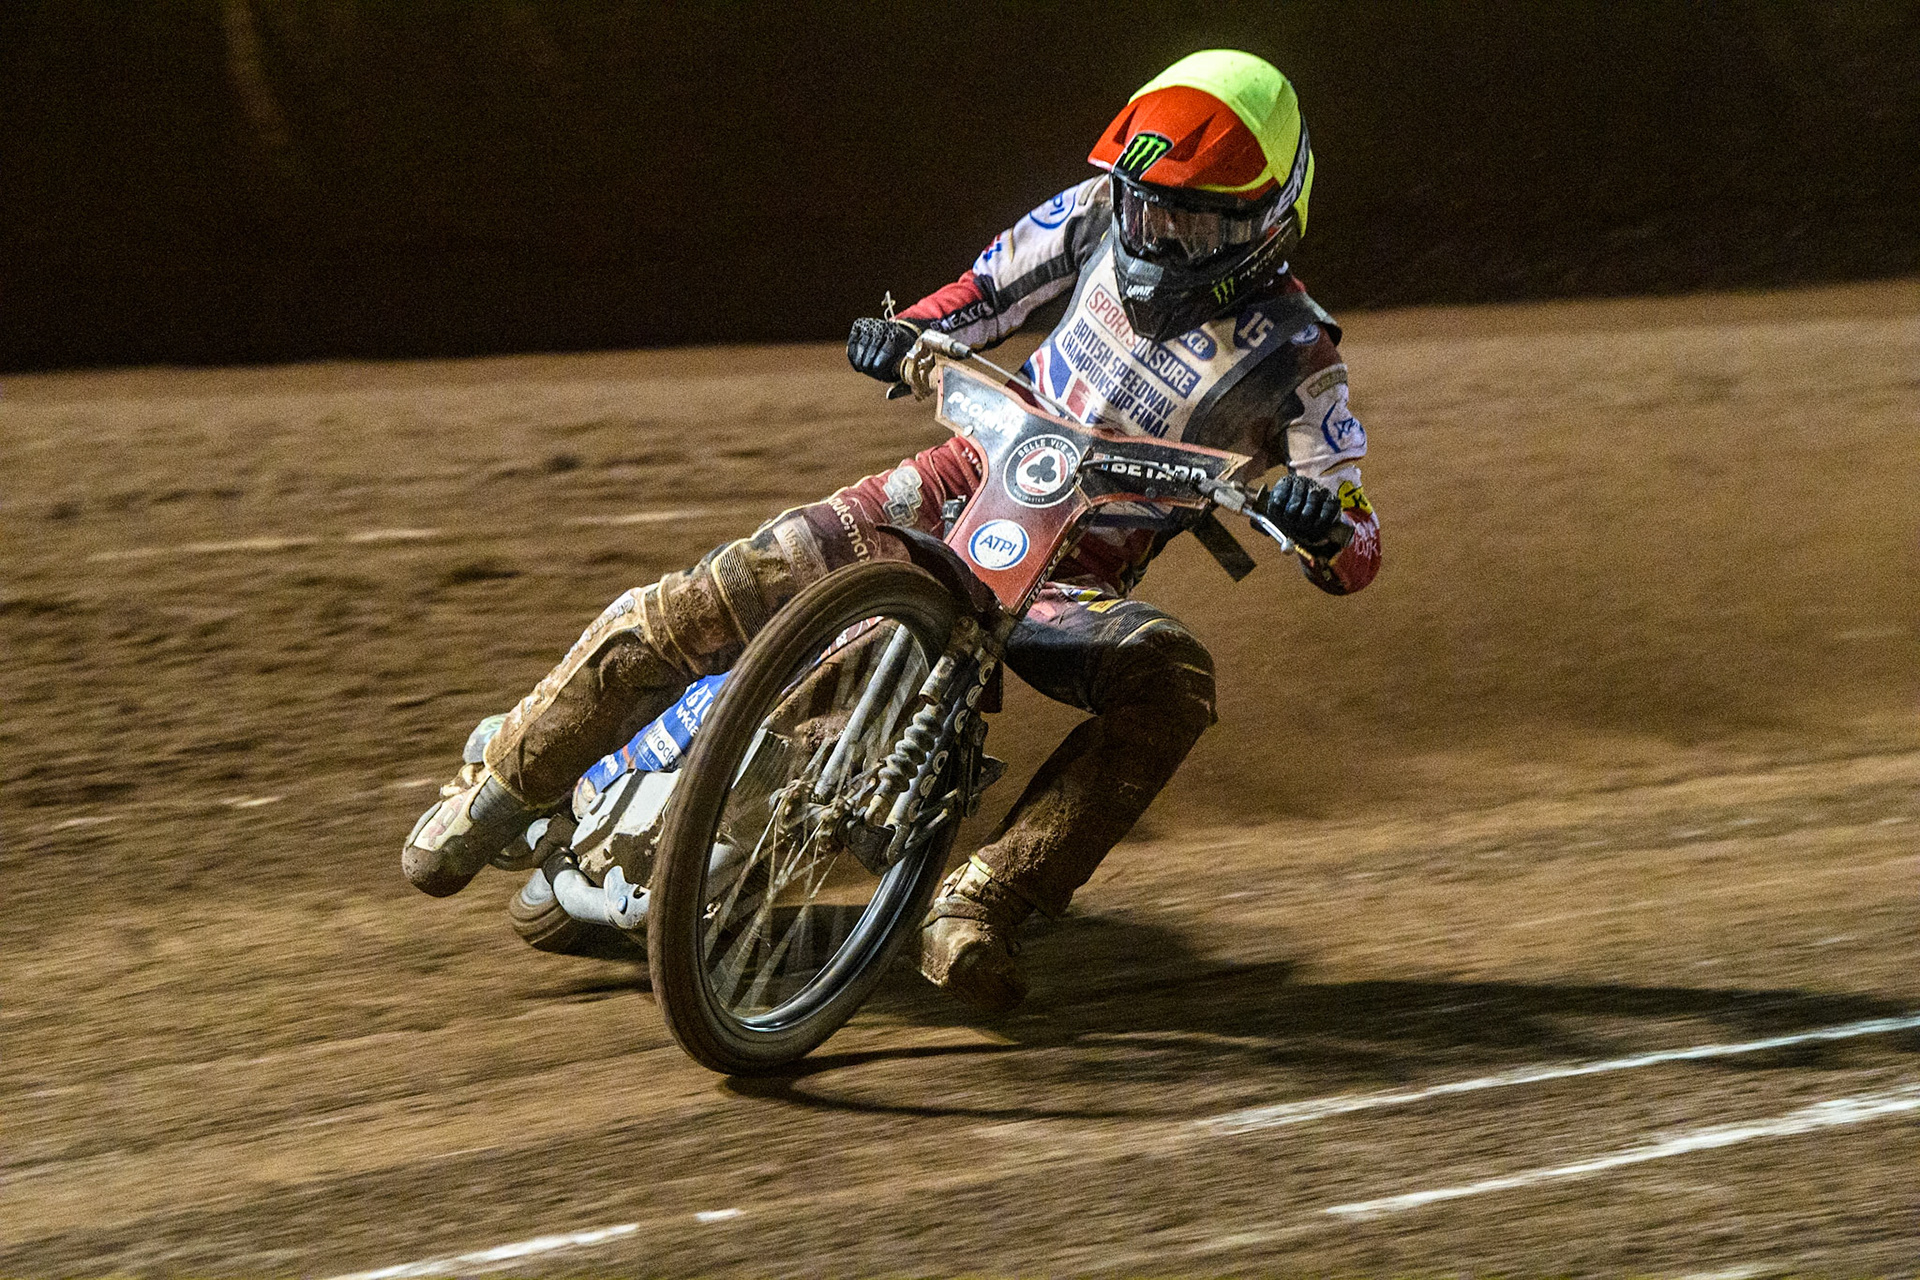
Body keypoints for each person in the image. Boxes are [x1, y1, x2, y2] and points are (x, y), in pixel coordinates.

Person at [403, 49, 1380, 1013]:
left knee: (1173, 677)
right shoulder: (1088, 217)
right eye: (1143, 202)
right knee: (725, 586)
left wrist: (1318, 520)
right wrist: (906, 329)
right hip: (952, 480)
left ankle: (985, 898)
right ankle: (500, 785)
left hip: (1068, 569)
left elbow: (1357, 537)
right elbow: (982, 292)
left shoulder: (1299, 352)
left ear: (1266, 222)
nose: (1157, 231)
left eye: (1194, 218)